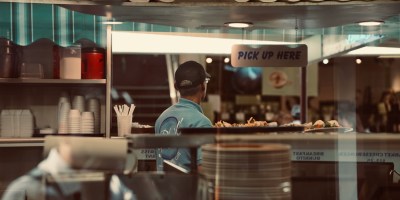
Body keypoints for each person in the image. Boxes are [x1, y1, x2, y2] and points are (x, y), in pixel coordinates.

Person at [155, 60, 213, 172]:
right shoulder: (202, 123)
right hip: (187, 188)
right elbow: (204, 170)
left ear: (176, 86)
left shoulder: (161, 118)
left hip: (162, 187)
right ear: (203, 87)